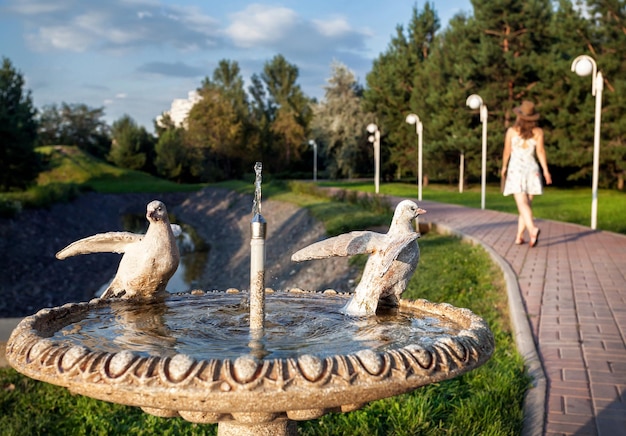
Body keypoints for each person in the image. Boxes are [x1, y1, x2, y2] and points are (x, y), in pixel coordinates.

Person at [501, 101, 552, 247]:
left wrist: (504, 167)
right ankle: (519, 236)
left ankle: (532, 229)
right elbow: (540, 152)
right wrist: (546, 171)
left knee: (522, 204)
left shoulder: (511, 131)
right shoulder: (538, 132)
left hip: (516, 169)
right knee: (526, 205)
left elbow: (507, 151)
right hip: (532, 169)